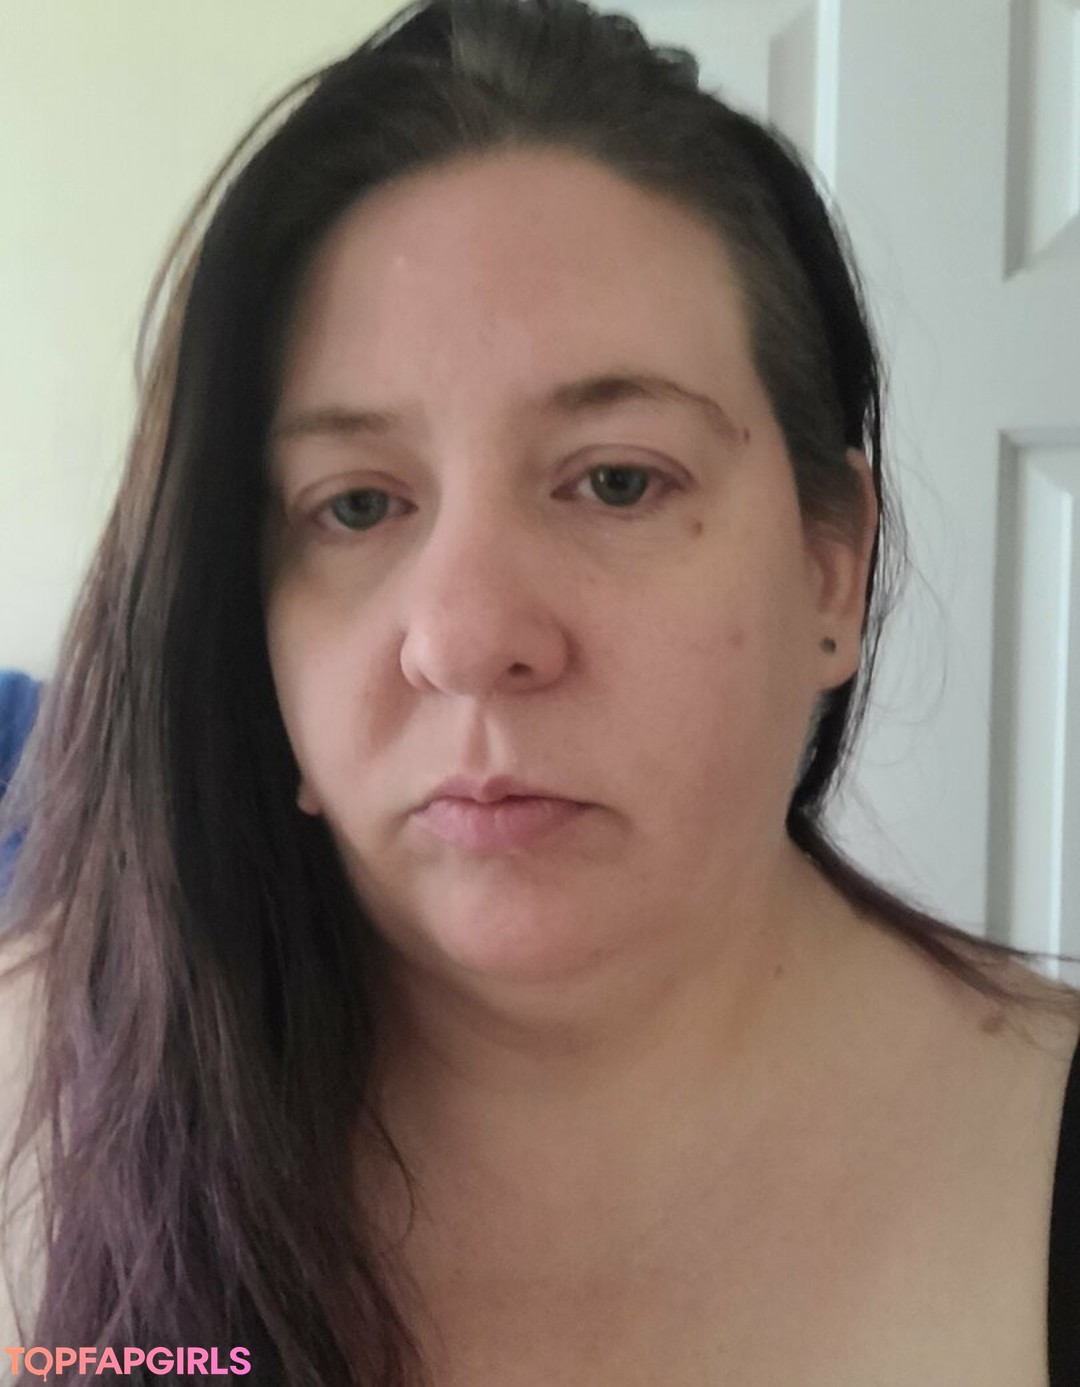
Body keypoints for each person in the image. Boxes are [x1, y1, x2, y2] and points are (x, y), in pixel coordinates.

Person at [1, 1, 1078, 1382]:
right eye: (356, 505)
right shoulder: (36, 1107)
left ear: (832, 569)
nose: (465, 639)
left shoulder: (1038, 1147)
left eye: (617, 481)